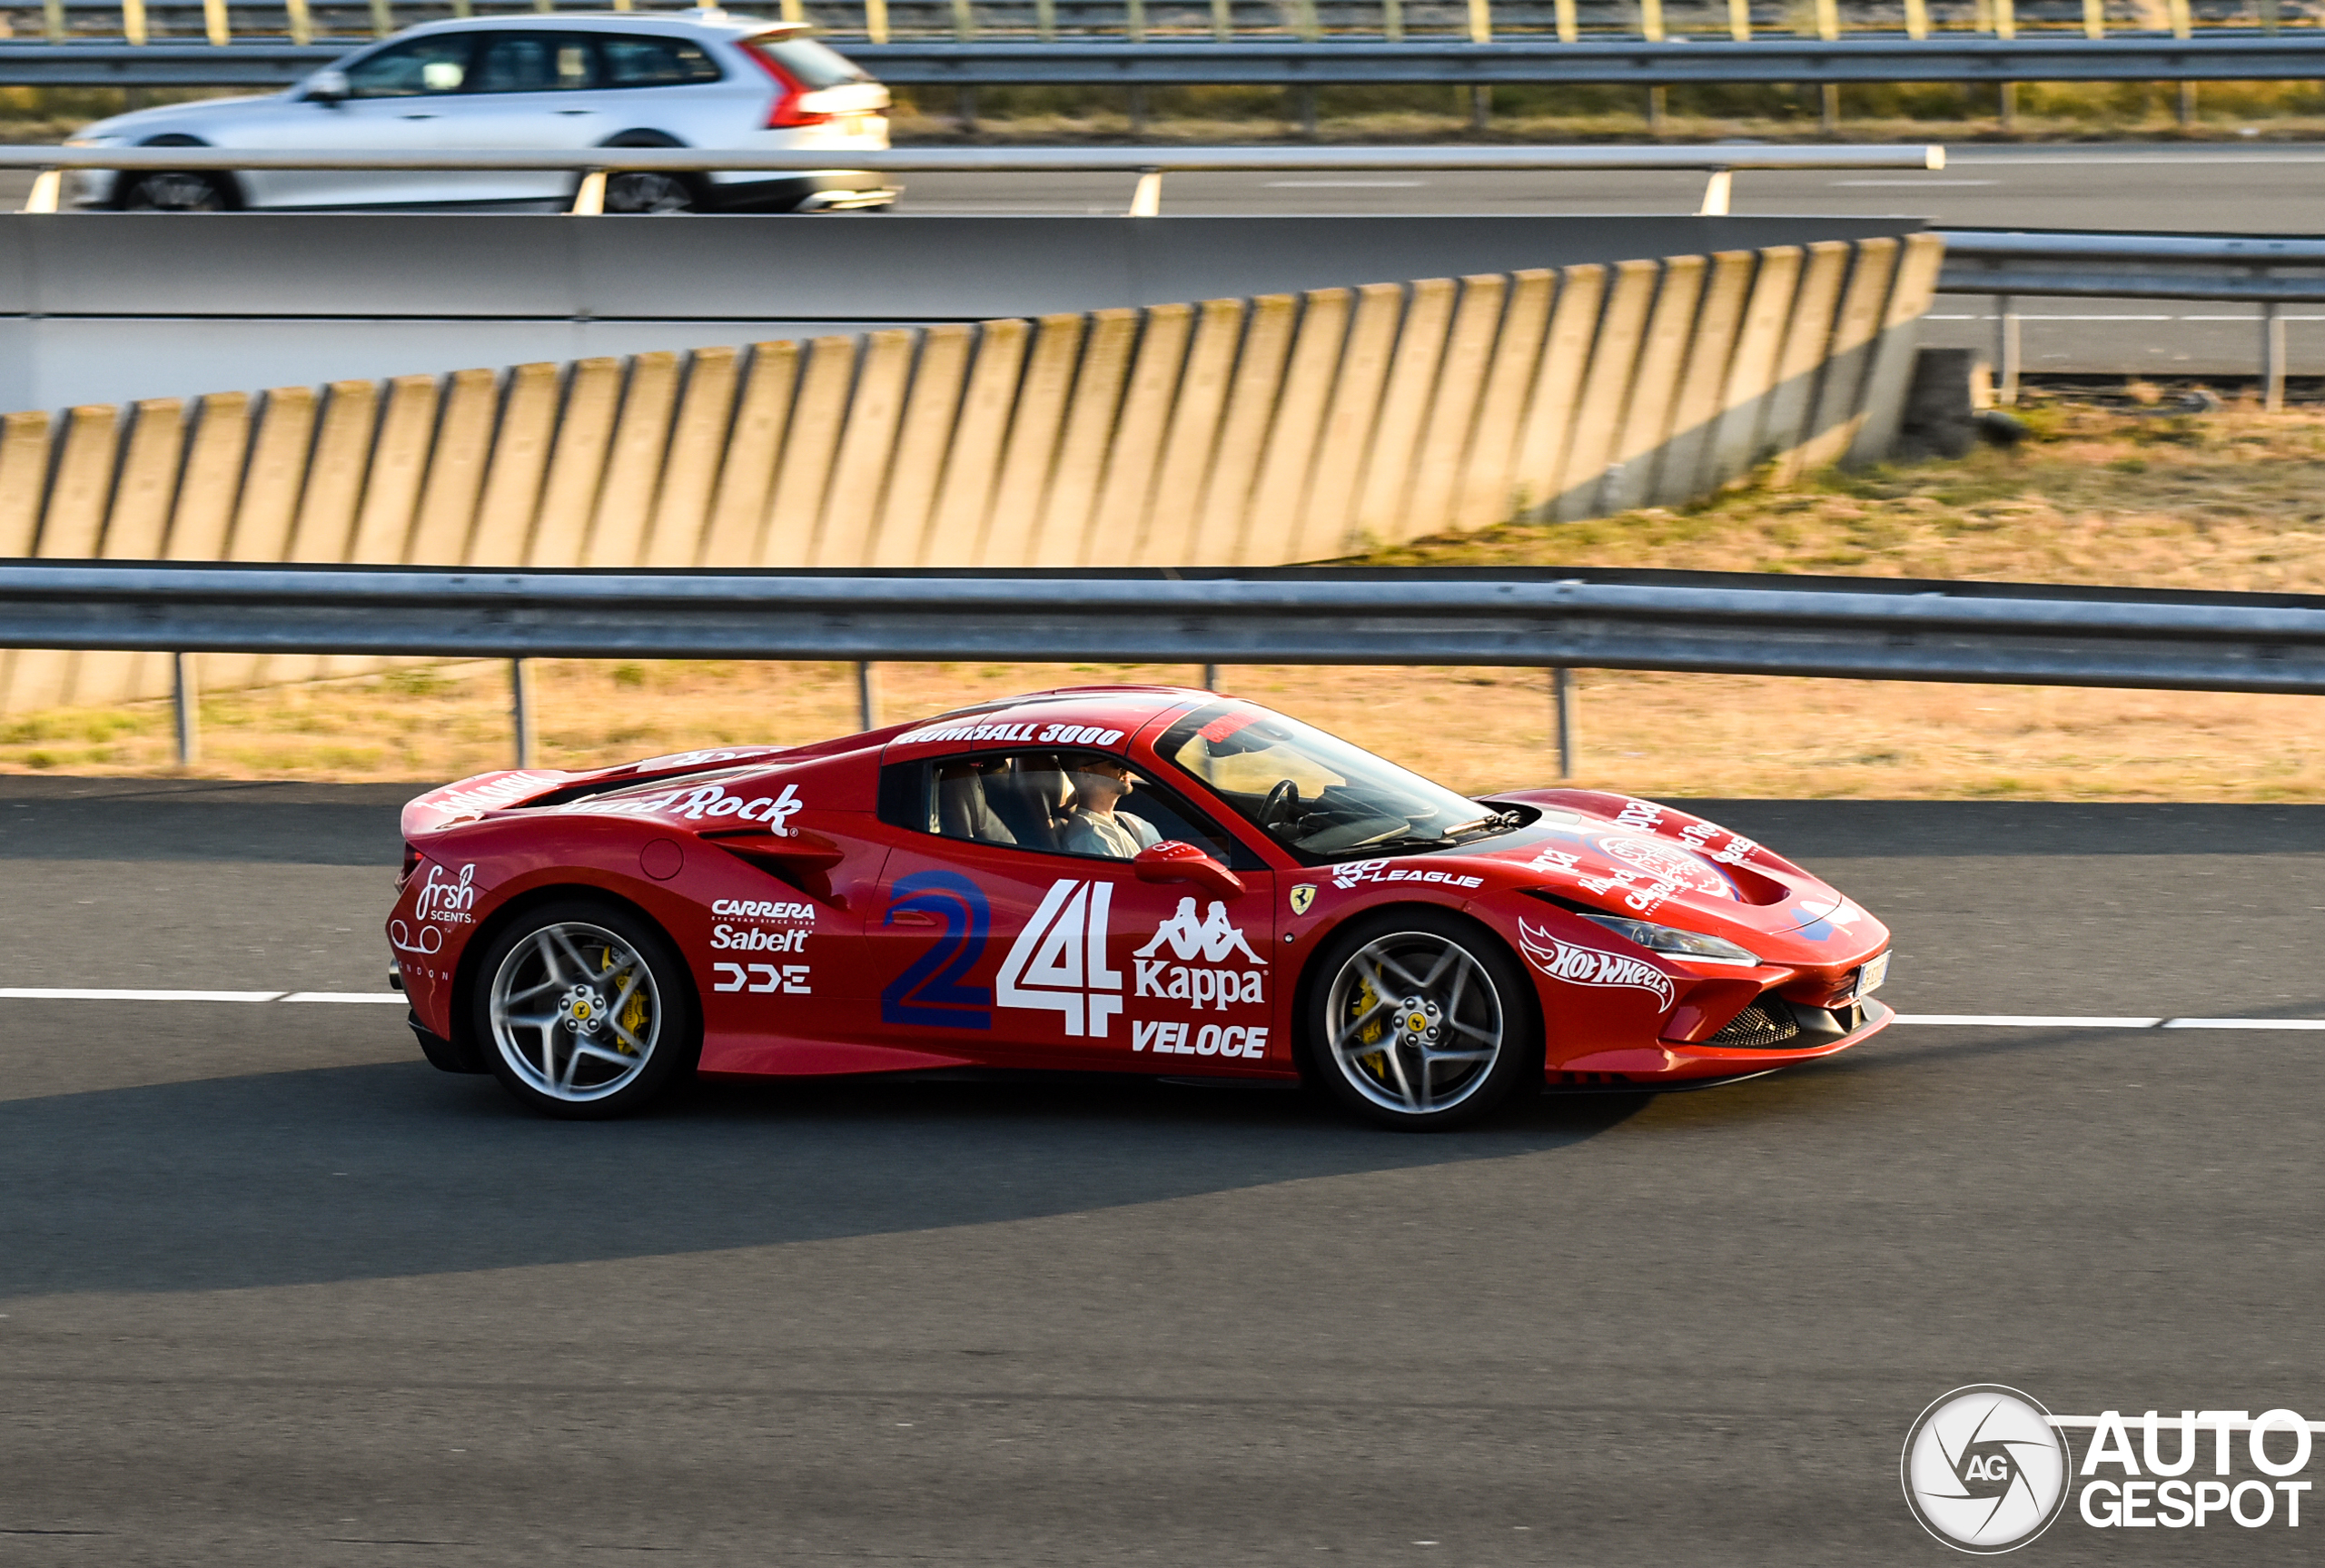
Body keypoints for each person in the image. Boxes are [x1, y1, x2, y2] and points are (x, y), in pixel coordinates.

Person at [1061, 755, 1161, 859]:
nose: (1126, 769)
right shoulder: (1090, 841)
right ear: (1085, 774)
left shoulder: (1129, 819)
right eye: (1117, 764)